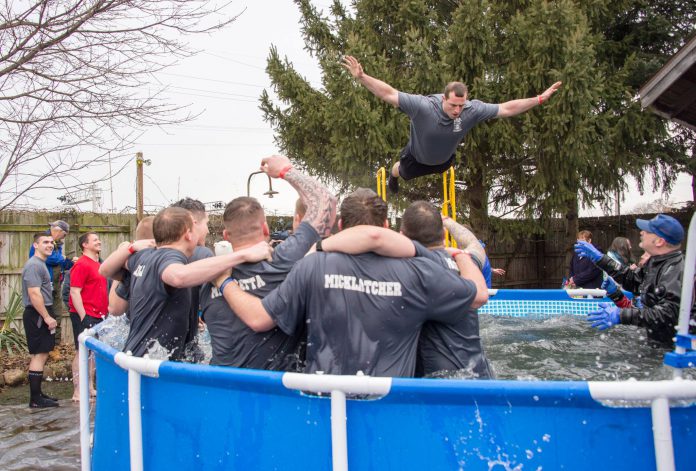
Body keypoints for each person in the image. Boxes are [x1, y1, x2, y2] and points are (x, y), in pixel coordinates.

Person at [215, 188, 488, 377]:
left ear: (342, 224)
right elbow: (477, 295)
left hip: (324, 406)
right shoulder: (417, 271)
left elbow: (260, 318)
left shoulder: (311, 264)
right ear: (386, 225)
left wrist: (225, 283)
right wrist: (462, 256)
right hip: (388, 406)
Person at [341, 55, 562, 193]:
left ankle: (427, 165)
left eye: (461, 105)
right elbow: (388, 93)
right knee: (401, 171)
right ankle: (392, 176)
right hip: (416, 158)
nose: (458, 111)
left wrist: (539, 98)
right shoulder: (423, 107)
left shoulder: (471, 110)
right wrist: (362, 77)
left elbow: (506, 108)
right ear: (443, 99)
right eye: (453, 105)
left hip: (444, 160)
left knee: (445, 164)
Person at [327, 200, 493, 378]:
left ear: (402, 236)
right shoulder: (466, 266)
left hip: (439, 386)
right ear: (443, 234)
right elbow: (475, 246)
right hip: (481, 376)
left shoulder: (406, 271)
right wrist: (449, 223)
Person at [200, 154, 337, 370]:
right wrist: (286, 171)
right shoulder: (284, 258)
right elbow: (325, 202)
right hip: (276, 392)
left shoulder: (207, 275)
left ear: (226, 235)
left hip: (221, 389)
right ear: (265, 229)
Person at [99, 207, 273, 359]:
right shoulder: (170, 257)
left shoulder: (143, 256)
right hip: (153, 368)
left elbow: (105, 270)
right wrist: (243, 255)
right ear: (188, 233)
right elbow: (178, 277)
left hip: (135, 356)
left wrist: (130, 247)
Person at [575, 214, 695, 345]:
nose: (642, 232)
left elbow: (669, 315)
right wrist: (600, 259)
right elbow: (634, 280)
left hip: (674, 349)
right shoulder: (657, 262)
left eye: (647, 231)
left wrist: (622, 315)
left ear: (659, 241)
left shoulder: (676, 270)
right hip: (656, 340)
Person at [68, 232, 108, 401]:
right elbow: (74, 291)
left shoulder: (98, 263)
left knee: (92, 353)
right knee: (81, 351)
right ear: (84, 244)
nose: (99, 242)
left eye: (99, 239)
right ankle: (78, 391)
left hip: (99, 314)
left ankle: (89, 387)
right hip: (84, 314)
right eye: (95, 240)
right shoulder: (82, 264)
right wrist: (84, 316)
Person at [22, 233, 59, 408]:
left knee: (43, 353)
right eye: (45, 242)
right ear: (35, 245)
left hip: (41, 311)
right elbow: (34, 294)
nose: (50, 245)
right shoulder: (34, 266)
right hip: (37, 313)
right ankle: (35, 399)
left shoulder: (41, 264)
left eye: (52, 242)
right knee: (39, 354)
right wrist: (46, 316)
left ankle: (38, 394)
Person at [108, 216, 155, 316]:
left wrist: (120, 272)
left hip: (139, 326)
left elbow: (114, 309)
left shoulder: (135, 265)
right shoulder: (174, 260)